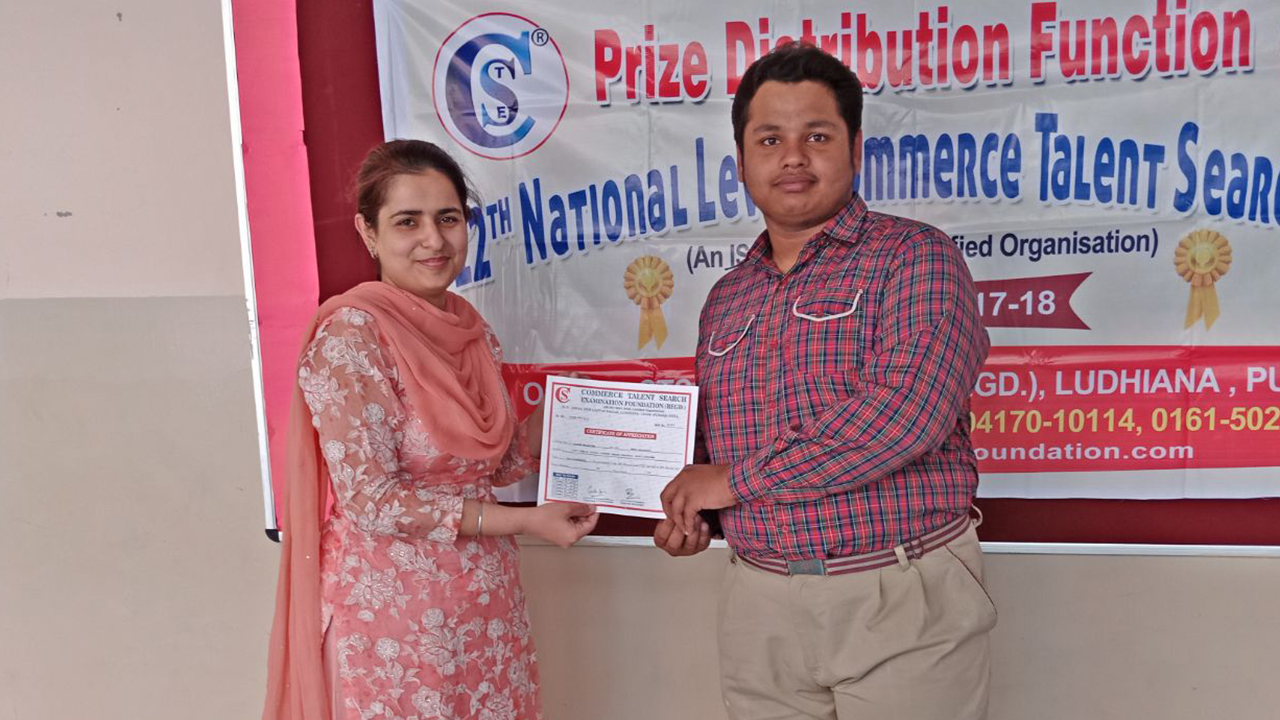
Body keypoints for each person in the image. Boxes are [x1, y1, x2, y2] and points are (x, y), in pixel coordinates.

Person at [653, 43, 995, 720]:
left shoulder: (915, 257)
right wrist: (691, 513)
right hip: (758, 604)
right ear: (741, 160)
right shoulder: (727, 297)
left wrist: (730, 483)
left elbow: (906, 417)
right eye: (769, 139)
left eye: (817, 136)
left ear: (855, 148)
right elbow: (718, 448)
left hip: (898, 591)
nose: (793, 158)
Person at [264, 139, 599, 720]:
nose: (434, 240)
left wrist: (574, 413)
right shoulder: (352, 336)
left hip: (485, 605)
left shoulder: (471, 331)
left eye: (448, 218)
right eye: (407, 221)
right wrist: (526, 521)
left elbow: (495, 463)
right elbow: (373, 500)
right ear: (368, 233)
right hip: (393, 618)